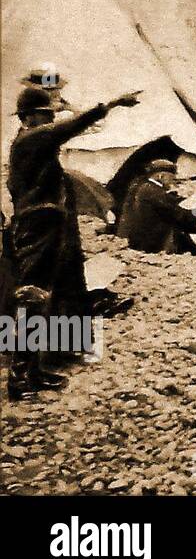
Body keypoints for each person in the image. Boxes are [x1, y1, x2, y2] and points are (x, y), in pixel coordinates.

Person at [6, 88, 141, 398]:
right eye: (45, 114)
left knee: (42, 294)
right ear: (28, 117)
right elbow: (68, 127)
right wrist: (111, 102)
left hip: (46, 223)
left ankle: (34, 369)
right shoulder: (30, 139)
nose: (50, 118)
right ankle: (19, 377)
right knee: (31, 297)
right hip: (37, 225)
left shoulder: (31, 142)